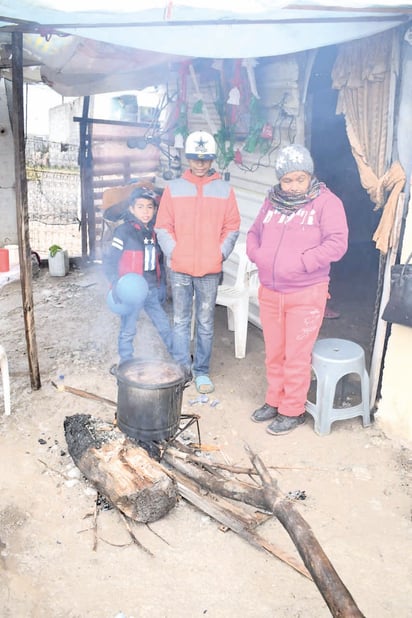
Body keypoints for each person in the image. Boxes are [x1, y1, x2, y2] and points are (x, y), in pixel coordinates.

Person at [246, 144, 348, 435]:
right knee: (274, 352)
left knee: (297, 355)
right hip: (271, 290)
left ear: (309, 175)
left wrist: (303, 262)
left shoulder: (327, 203)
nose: (292, 186)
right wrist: (258, 255)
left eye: (299, 179)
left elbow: (337, 243)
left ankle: (293, 410)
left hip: (306, 291)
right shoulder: (272, 201)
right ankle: (274, 401)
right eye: (287, 180)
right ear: (279, 180)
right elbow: (254, 233)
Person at [155, 130, 241, 394]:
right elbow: (162, 227)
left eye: (205, 159)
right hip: (180, 268)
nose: (200, 164)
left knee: (205, 322)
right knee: (180, 320)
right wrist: (175, 252)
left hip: (209, 270)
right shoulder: (174, 188)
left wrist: (220, 254)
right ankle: (182, 370)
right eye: (195, 158)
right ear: (188, 158)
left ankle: (201, 371)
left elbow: (232, 227)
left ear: (212, 159)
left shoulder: (225, 190)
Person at [104, 186, 173, 366]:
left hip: (151, 289)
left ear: (155, 209)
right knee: (128, 329)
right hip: (131, 290)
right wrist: (115, 284)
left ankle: (179, 359)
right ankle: (126, 361)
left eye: (149, 207)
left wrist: (162, 286)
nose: (145, 211)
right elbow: (110, 261)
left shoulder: (156, 232)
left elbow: (160, 262)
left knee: (164, 325)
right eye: (140, 207)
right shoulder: (123, 232)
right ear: (131, 209)